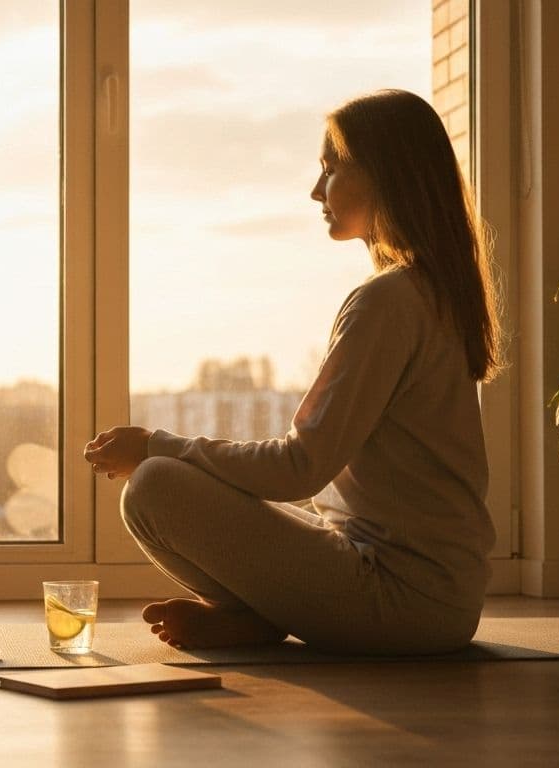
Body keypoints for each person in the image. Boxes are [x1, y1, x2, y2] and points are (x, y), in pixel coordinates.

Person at [83, 89, 504, 655]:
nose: (315, 191)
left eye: (330, 169)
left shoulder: (389, 301)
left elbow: (298, 467)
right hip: (435, 594)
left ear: (384, 174)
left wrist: (155, 442)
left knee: (153, 485)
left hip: (404, 598)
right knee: (179, 481)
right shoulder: (429, 293)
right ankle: (256, 618)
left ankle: (254, 616)